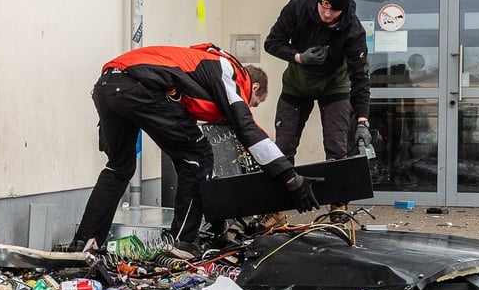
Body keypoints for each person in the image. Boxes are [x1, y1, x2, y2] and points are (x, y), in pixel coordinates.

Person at [70, 43, 322, 260]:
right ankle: (183, 242)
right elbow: (246, 127)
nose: (250, 107)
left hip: (108, 84)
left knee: (119, 167)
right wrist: (290, 177)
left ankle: (85, 243)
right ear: (253, 87)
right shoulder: (228, 72)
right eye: (254, 103)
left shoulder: (197, 69)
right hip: (139, 86)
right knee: (198, 156)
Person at [263, 0, 372, 225]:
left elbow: (360, 78)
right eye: (324, 7)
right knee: (283, 146)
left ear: (343, 9)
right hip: (297, 83)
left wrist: (363, 121)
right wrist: (299, 57)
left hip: (335, 85)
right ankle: (276, 210)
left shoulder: (353, 31)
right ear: (318, 1)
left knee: (337, 148)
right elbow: (272, 43)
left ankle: (338, 209)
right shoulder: (298, 8)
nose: (328, 14)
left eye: (334, 10)